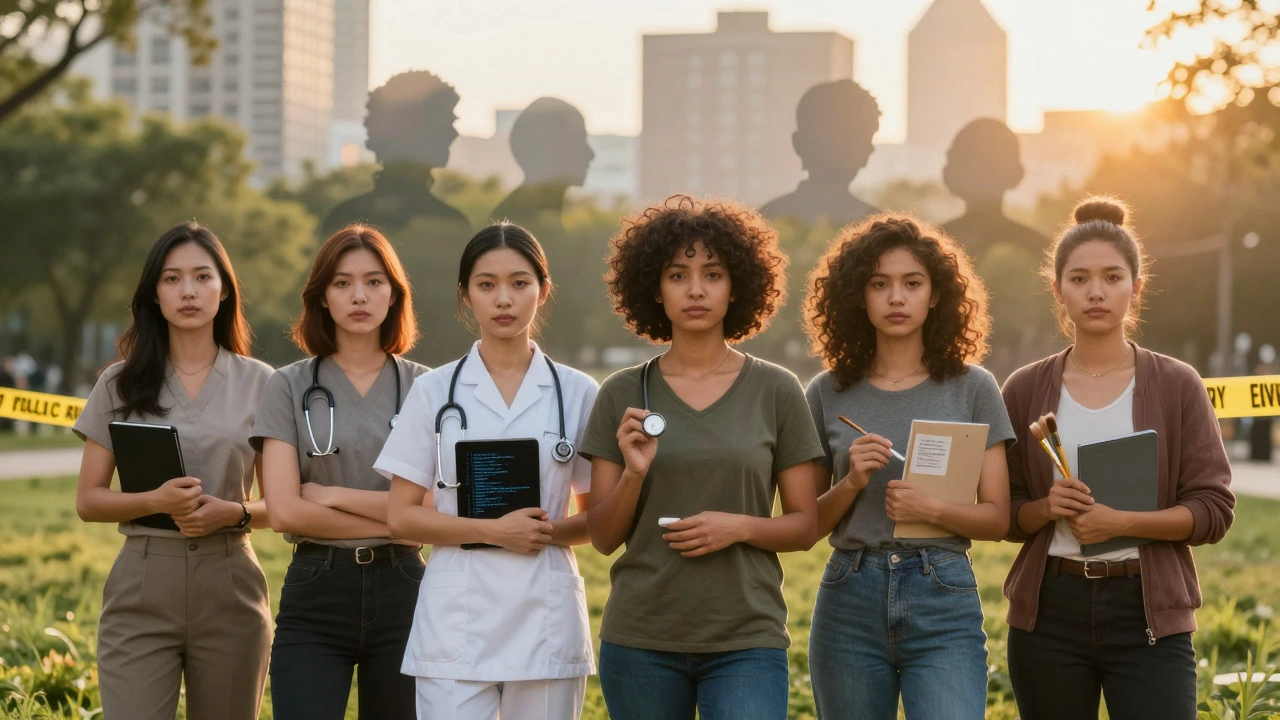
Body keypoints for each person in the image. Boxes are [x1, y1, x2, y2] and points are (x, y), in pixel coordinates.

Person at [579, 195, 824, 720]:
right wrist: (634, 474)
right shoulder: (622, 392)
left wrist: (736, 528)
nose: (695, 289)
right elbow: (601, 538)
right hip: (640, 639)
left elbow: (805, 526)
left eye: (712, 274)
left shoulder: (777, 390)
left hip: (747, 639)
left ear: (736, 287)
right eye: (677, 274)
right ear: (655, 289)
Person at [1001, 197, 1235, 720]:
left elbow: (1214, 509)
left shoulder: (1177, 384)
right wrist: (1045, 508)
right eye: (1079, 279)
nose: (1096, 291)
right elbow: (1005, 513)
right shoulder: (1024, 388)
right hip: (1048, 615)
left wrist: (1122, 523)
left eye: (1112, 276)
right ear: (1059, 289)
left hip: (1149, 610)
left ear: (1136, 285)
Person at [375, 221, 598, 720]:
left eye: (520, 283)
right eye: (486, 284)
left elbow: (594, 518)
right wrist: (494, 532)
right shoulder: (434, 392)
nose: (504, 299)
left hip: (545, 616)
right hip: (458, 621)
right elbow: (401, 518)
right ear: (465, 295)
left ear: (542, 291)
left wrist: (538, 533)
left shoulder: (578, 393)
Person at [801, 213, 1013, 719]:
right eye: (880, 284)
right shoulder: (826, 391)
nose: (897, 298)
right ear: (858, 295)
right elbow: (804, 523)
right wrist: (851, 482)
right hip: (849, 596)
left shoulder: (974, 387)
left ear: (935, 294)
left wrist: (932, 507)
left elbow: (999, 518)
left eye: (912, 283)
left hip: (943, 593)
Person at [73, 222, 273, 720]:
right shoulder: (119, 383)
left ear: (224, 290)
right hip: (142, 583)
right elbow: (88, 500)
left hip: (230, 584)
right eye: (172, 278)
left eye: (202, 276)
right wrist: (154, 501)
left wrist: (236, 513)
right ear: (153, 294)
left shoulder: (264, 383)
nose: (188, 291)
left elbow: (285, 505)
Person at [250, 225, 428, 719]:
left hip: (406, 592)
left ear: (393, 295)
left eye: (374, 282)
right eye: (342, 283)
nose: (359, 296)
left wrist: (327, 496)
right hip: (316, 589)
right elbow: (285, 512)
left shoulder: (427, 389)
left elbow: (438, 506)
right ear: (322, 297)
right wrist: (401, 520)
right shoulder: (287, 386)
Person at [760, 79, 880, 227]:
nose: (869, 149)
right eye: (854, 138)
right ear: (800, 143)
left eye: (863, 139)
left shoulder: (763, 221)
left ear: (798, 144)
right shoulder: (879, 228)